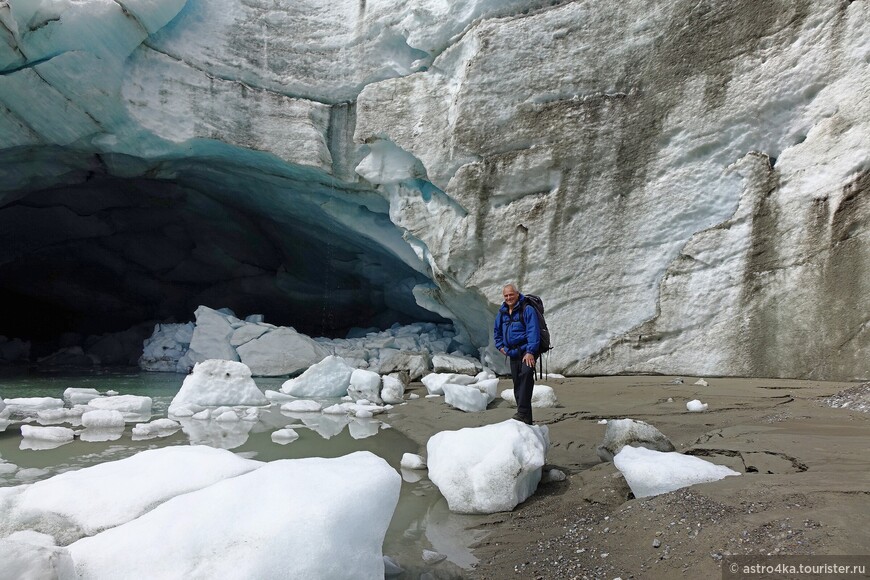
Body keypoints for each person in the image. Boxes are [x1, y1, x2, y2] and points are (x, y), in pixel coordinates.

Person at [493, 283, 540, 424]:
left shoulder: (527, 309)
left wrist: (530, 352)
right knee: (518, 383)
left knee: (526, 376)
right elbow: (497, 332)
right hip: (512, 353)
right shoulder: (502, 312)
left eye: (511, 294)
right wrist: (500, 347)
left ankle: (522, 412)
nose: (508, 298)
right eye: (506, 295)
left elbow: (533, 331)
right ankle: (526, 419)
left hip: (527, 352)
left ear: (517, 294)